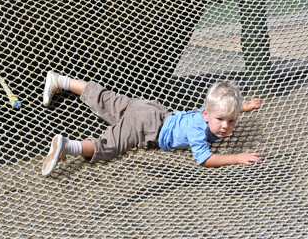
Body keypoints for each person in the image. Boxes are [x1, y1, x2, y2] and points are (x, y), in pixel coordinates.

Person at [42, 71, 262, 176]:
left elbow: (221, 111)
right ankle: (67, 146)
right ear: (206, 115)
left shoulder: (206, 114)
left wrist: (243, 106)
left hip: (149, 109)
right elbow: (205, 160)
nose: (225, 126)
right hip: (147, 128)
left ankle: (61, 81)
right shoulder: (199, 130)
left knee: (106, 99)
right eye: (221, 120)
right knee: (110, 146)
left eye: (232, 120)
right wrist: (237, 158)